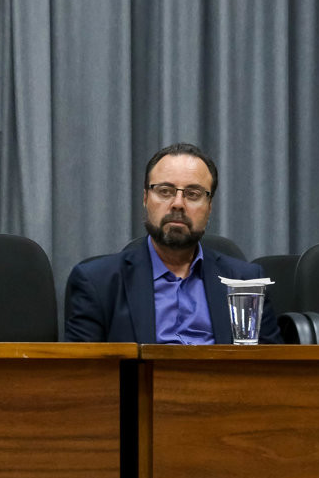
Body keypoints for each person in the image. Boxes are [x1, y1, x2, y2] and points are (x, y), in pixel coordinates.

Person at [64, 143, 281, 344]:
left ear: (209, 207)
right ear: (145, 199)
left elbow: (274, 371)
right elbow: (84, 375)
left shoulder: (246, 282)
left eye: (193, 194)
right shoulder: (97, 283)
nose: (178, 204)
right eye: (164, 191)